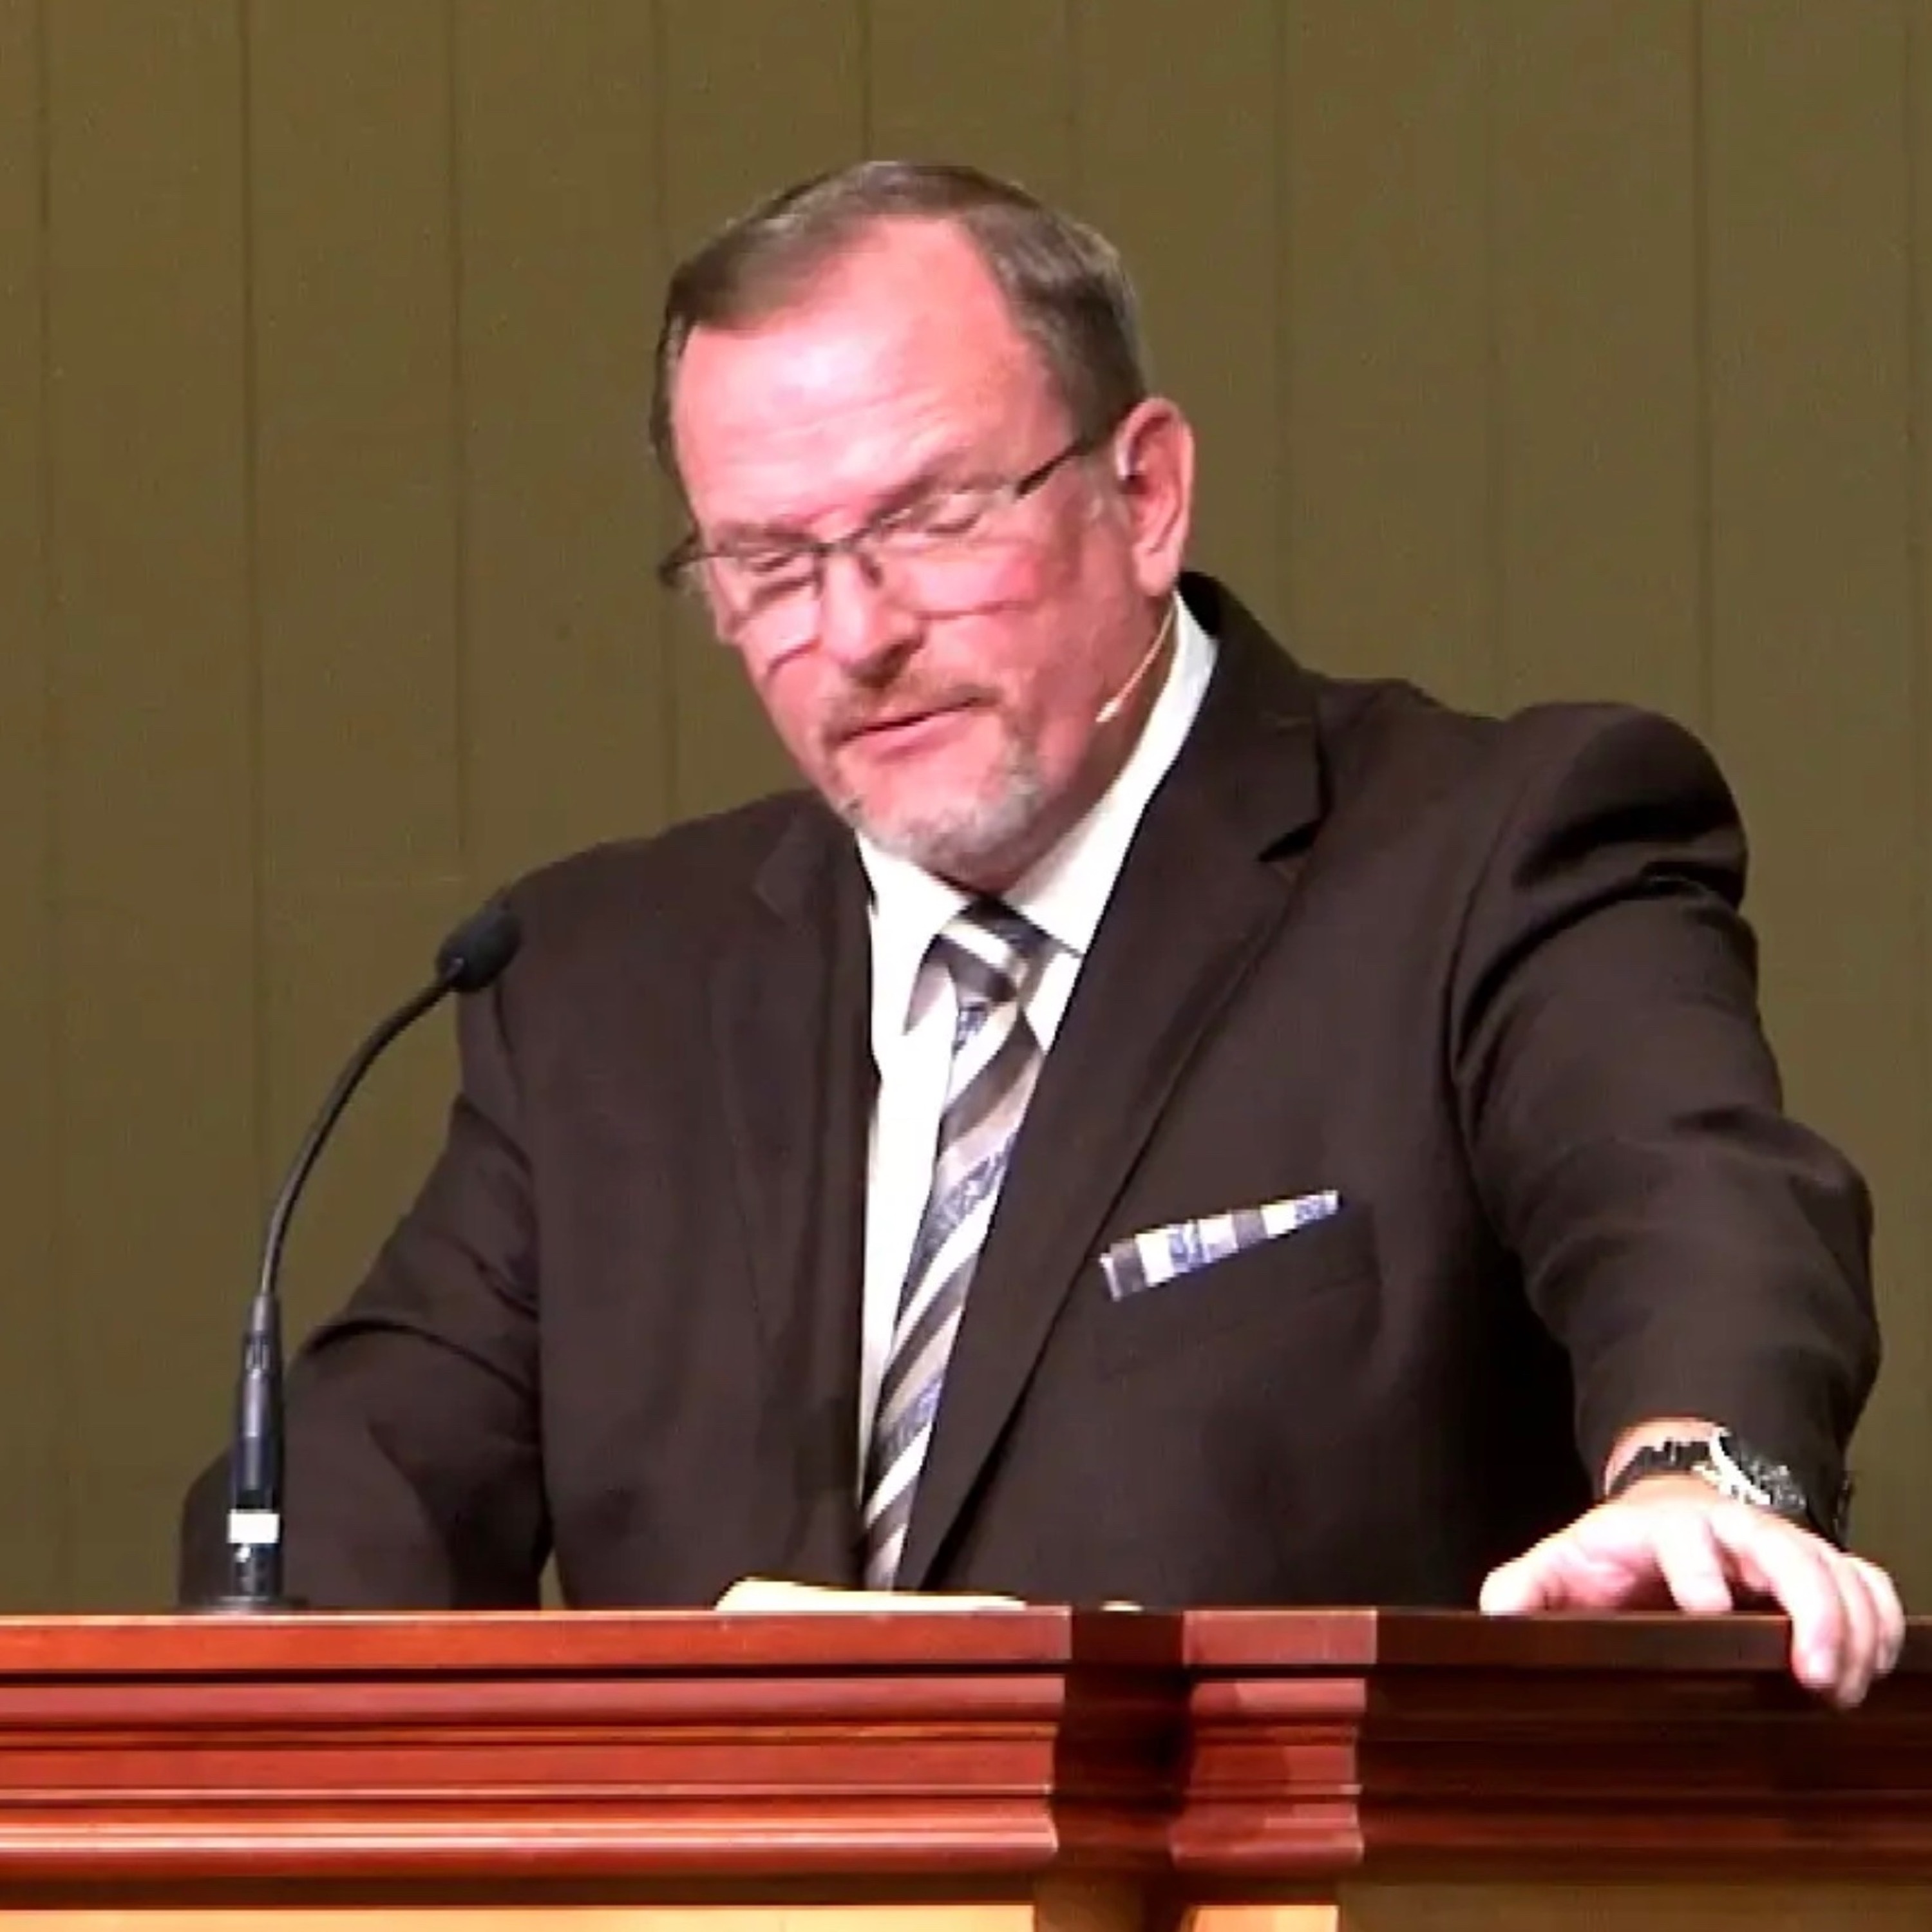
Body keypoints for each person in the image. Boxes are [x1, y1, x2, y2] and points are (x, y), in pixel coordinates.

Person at [180, 160, 1902, 1705]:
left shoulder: (1490, 850)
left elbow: (1685, 1199)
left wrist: (1702, 1474)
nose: (856, 633)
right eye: (768, 566)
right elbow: (350, 1492)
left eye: (930, 522)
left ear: (1145, 494)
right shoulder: (598, 989)